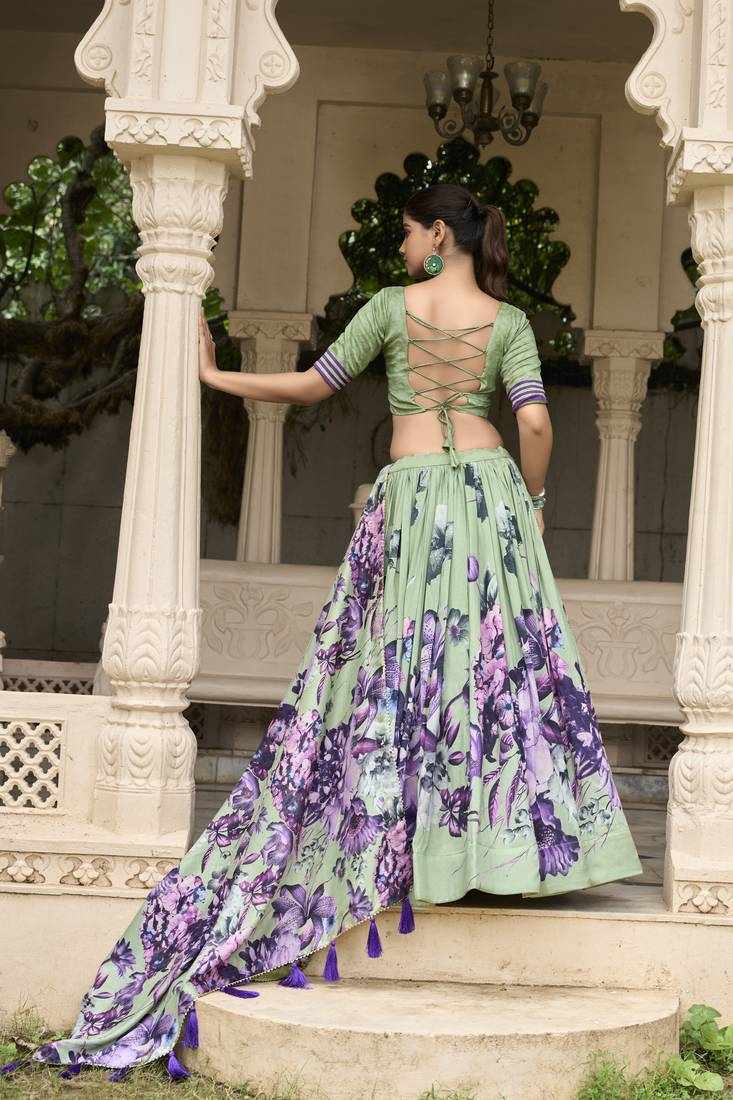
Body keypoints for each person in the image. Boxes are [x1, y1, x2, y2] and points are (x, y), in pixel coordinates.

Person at [24, 182, 643, 1082]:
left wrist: (218, 377)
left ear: (439, 233)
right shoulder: (507, 321)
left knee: (394, 677)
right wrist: (534, 497)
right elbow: (535, 420)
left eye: (407, 233)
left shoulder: (391, 308)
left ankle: (401, 846)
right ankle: (496, 855)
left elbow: (315, 384)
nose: (401, 247)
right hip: (489, 502)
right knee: (495, 678)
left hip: (411, 503)